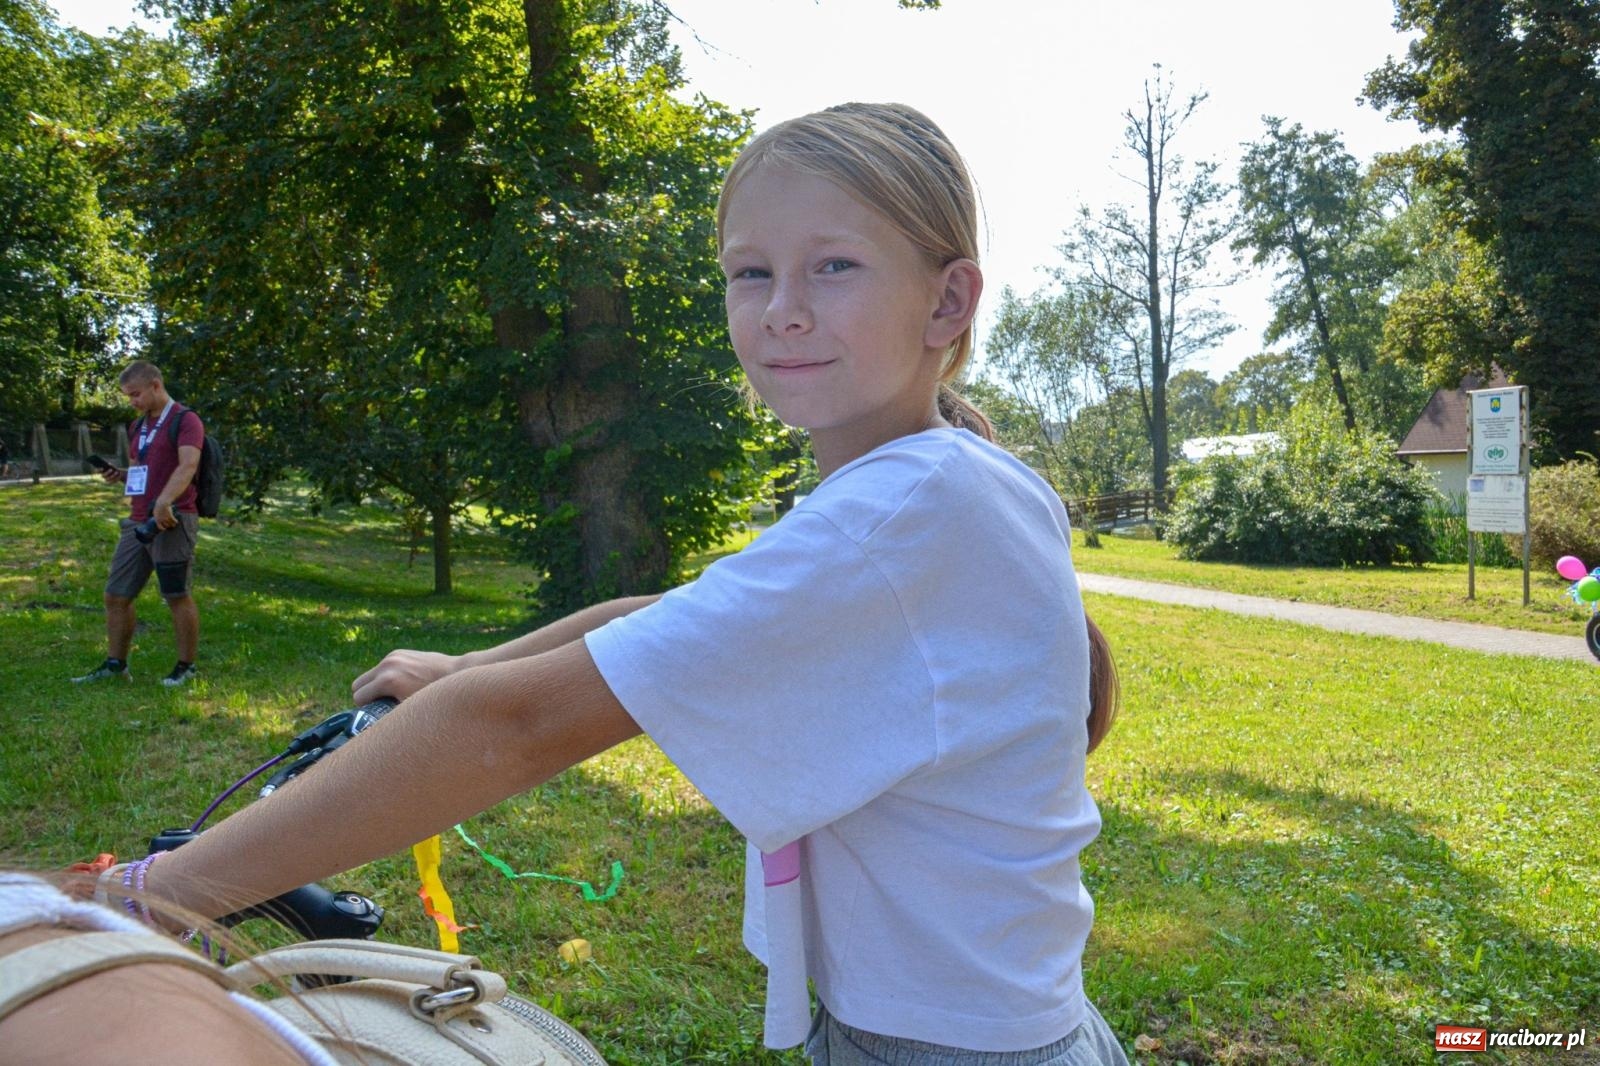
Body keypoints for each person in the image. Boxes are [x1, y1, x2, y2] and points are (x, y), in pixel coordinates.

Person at [133, 103, 1130, 1064]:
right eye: (751, 271)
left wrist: (152, 891)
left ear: (947, 300)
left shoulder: (901, 509)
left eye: (833, 266)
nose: (783, 310)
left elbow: (519, 727)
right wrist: (466, 661)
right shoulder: (939, 480)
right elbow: (676, 617)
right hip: (1004, 1024)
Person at [73, 360, 204, 687]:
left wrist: (164, 501)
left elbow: (188, 466)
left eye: (135, 394)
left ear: (155, 386)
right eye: (128, 396)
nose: (132, 401)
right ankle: (116, 665)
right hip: (137, 521)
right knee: (116, 594)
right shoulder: (137, 427)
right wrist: (120, 476)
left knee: (176, 593)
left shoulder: (185, 421)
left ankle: (186, 667)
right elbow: (140, 472)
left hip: (173, 518)